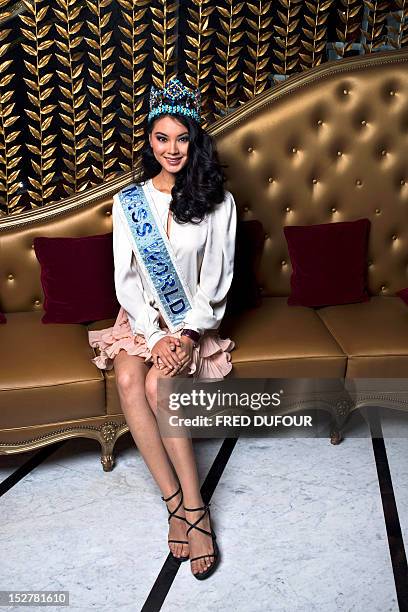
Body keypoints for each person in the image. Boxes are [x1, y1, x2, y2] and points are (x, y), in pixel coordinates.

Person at [88, 77, 236, 580]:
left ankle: (197, 510)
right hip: (143, 322)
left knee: (158, 384)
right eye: (161, 138)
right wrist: (154, 337)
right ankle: (176, 504)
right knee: (130, 377)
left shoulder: (218, 201)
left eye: (182, 138)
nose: (172, 149)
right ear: (149, 142)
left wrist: (187, 336)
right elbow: (124, 279)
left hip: (192, 324)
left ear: (195, 140)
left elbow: (217, 281)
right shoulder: (129, 202)